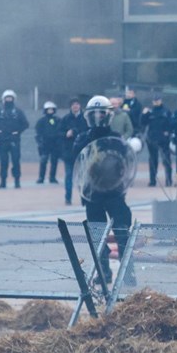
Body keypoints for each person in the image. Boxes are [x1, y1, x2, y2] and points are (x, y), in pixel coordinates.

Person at [73, 96, 134, 285]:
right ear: (88, 116)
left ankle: (128, 274)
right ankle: (104, 272)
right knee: (98, 236)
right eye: (94, 114)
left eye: (102, 113)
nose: (98, 118)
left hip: (114, 192)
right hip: (92, 194)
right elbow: (74, 158)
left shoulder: (116, 139)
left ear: (108, 115)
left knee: (123, 233)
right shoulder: (83, 138)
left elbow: (126, 161)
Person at [0, 90, 29, 189]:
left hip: (14, 140)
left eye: (10, 98)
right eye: (7, 98)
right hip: (2, 140)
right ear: (3, 99)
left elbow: (25, 124)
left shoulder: (18, 112)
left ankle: (17, 180)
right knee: (3, 162)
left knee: (16, 161)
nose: (8, 100)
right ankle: (3, 181)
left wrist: (18, 131)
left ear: (13, 99)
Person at [140, 93, 173, 187]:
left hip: (163, 140)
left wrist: (168, 133)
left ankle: (169, 180)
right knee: (152, 161)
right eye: (154, 101)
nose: (156, 102)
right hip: (152, 139)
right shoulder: (150, 112)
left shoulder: (166, 111)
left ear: (161, 100)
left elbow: (171, 124)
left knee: (166, 160)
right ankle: (152, 180)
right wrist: (144, 114)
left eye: (157, 100)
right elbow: (142, 123)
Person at [60, 98, 88, 204]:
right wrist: (66, 134)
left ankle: (84, 198)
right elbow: (59, 133)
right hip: (69, 153)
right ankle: (68, 198)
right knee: (68, 176)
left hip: (82, 152)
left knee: (83, 176)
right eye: (73, 104)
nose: (75, 106)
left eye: (77, 104)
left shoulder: (85, 118)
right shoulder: (66, 119)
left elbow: (89, 132)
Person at [34, 101, 63, 185]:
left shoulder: (58, 120)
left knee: (54, 161)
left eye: (51, 109)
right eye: (48, 109)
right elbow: (37, 133)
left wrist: (59, 141)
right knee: (43, 160)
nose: (50, 111)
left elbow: (61, 130)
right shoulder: (41, 121)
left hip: (55, 144)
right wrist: (40, 142)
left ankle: (52, 177)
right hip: (45, 144)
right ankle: (41, 177)